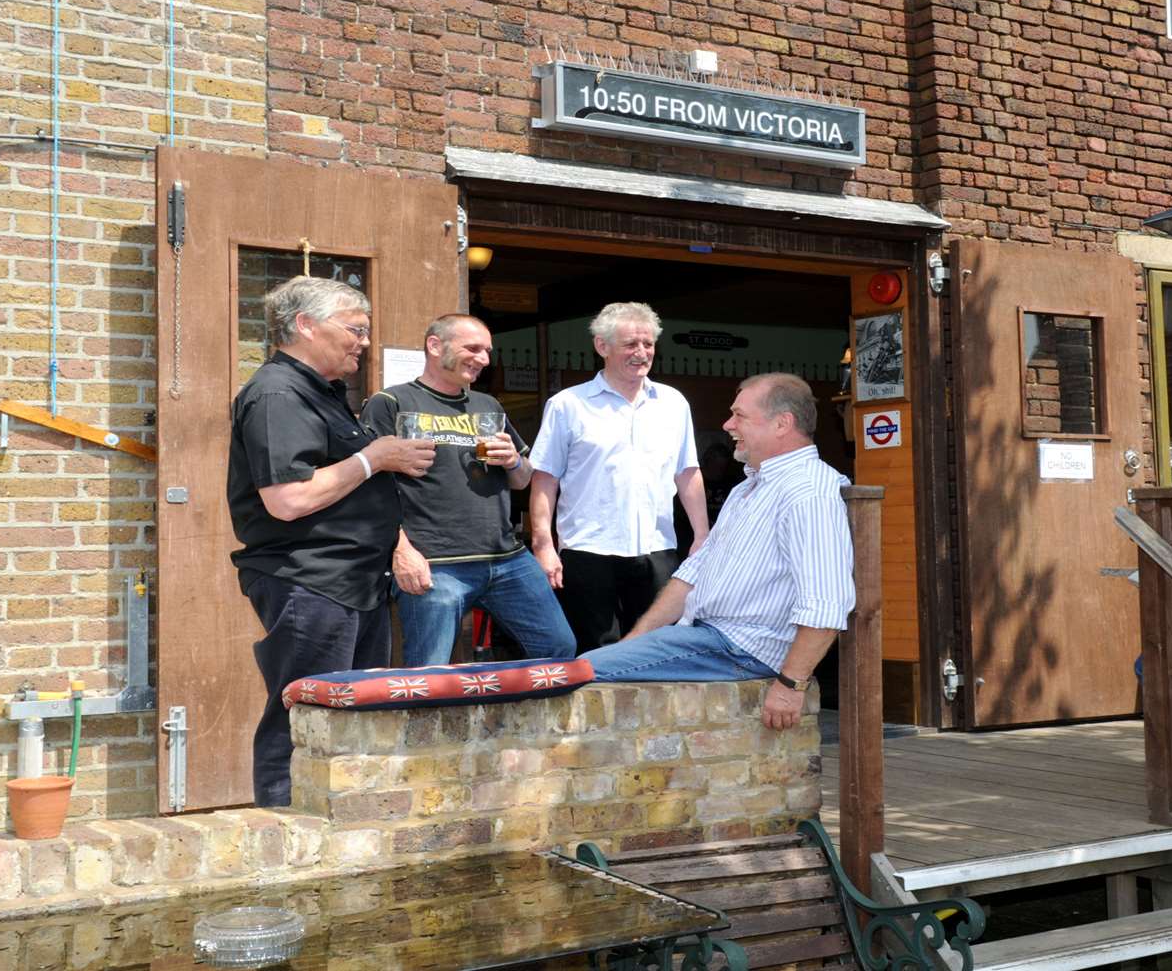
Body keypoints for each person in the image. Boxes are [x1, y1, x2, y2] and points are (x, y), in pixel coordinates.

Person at [228, 276, 437, 807]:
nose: (364, 342)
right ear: (305, 325)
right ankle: (284, 830)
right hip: (311, 583)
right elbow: (288, 500)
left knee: (353, 710)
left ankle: (342, 820)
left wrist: (397, 542)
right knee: (304, 715)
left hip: (354, 584)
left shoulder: (322, 394)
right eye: (355, 329)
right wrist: (376, 457)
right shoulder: (277, 393)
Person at [581, 374, 853, 731]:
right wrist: (634, 643)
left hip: (740, 649)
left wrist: (790, 685)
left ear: (782, 423)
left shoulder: (810, 492)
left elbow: (827, 603)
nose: (727, 425)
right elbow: (691, 575)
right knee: (586, 666)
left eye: (739, 415)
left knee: (579, 672)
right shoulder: (748, 489)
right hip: (707, 639)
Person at [360, 314, 576, 667]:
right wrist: (400, 552)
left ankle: (507, 720)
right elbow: (367, 490)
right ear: (434, 346)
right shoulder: (392, 402)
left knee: (558, 649)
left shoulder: (487, 406)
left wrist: (513, 463)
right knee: (429, 673)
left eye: (488, 351)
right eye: (473, 348)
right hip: (435, 563)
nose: (484, 359)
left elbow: (523, 479)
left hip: (505, 558)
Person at [529, 302, 710, 652]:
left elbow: (687, 471)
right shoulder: (568, 405)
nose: (641, 353)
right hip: (587, 552)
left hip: (658, 549)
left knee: (657, 650)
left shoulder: (674, 403)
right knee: (595, 654)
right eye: (631, 344)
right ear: (602, 346)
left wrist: (703, 535)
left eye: (648, 344)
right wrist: (543, 545)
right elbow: (544, 480)